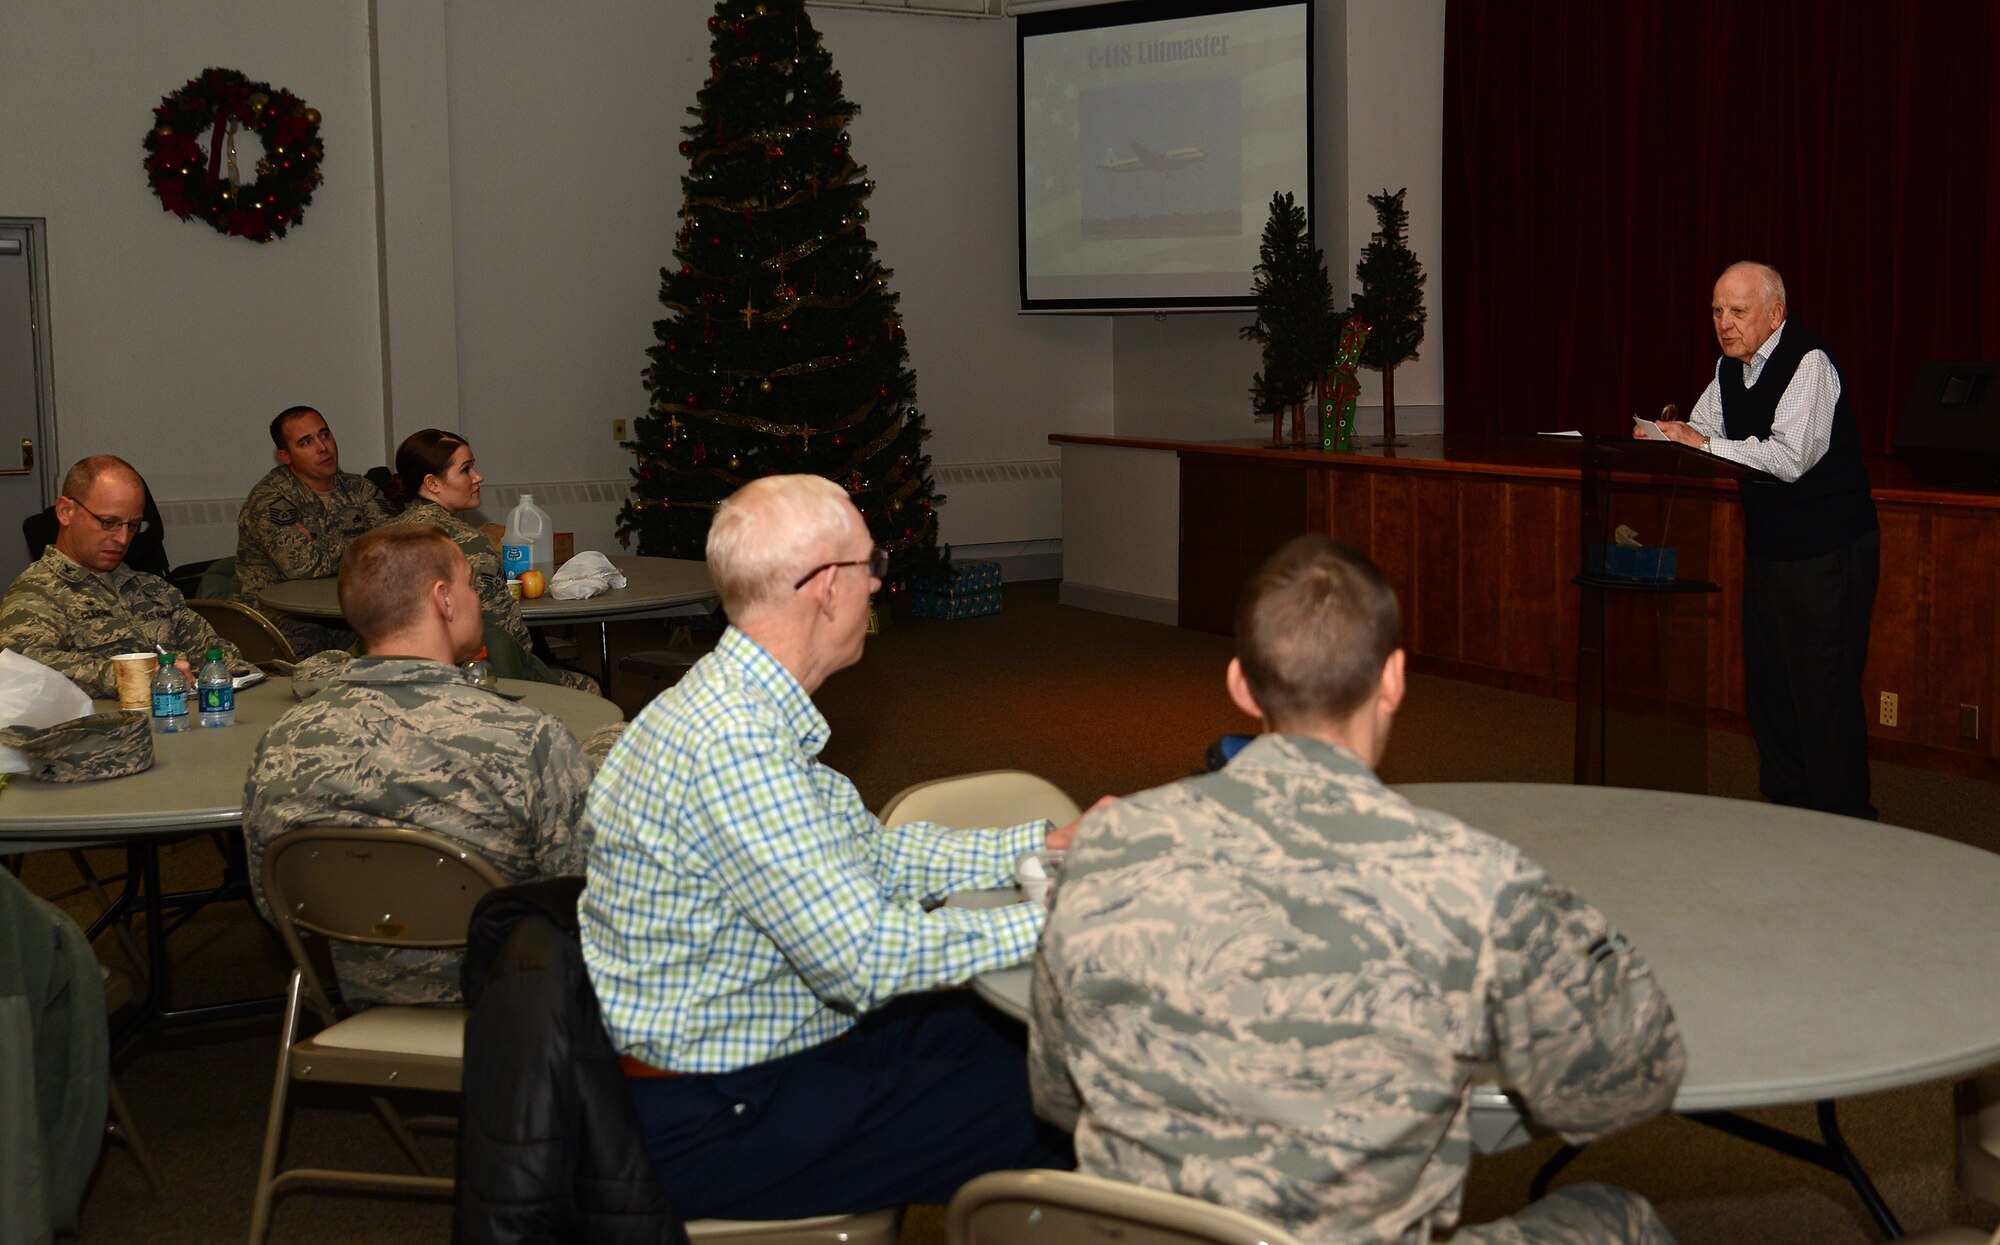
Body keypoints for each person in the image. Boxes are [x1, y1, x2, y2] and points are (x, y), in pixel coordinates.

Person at [1031, 536, 1687, 1245]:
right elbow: (1619, 1084)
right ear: (1395, 678)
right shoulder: (1476, 880)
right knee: (1618, 1219)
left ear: (1241, 685)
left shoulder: (1106, 845)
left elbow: (1057, 1093)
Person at [582, 474, 1087, 1221]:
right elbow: (866, 958)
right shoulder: (736, 745)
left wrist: (1045, 845)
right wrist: (1062, 915)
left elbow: (877, 859)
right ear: (823, 587)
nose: (879, 583)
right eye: (869, 564)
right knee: (1069, 1099)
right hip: (717, 1111)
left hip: (764, 1047)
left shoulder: (737, 705)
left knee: (1049, 1042)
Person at [243, 524, 595, 1008]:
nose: (478, 600)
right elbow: (582, 899)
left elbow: (271, 901)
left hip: (359, 1003)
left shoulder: (284, 741)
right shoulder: (528, 740)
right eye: (471, 584)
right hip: (516, 1010)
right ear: (444, 600)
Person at [1652, 262, 1880, 820]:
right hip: (1771, 550)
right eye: (1716, 311)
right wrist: (1661, 436)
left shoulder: (1809, 363)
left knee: (1821, 690)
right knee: (1771, 686)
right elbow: (1705, 431)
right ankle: (1787, 810)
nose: (1724, 323)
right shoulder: (1730, 369)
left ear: (1775, 313)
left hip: (1828, 550)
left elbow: (1788, 458)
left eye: (1737, 311)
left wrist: (1701, 444)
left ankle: (1842, 820)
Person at [0, 455, 250, 696]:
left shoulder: (153, 589)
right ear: (66, 511)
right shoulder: (37, 592)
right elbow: (23, 666)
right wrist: (136, 676)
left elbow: (218, 653)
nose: (122, 539)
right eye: (108, 522)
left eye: (132, 526)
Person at [382, 428, 598, 694]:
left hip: (402, 676)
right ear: (432, 483)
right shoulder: (466, 542)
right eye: (466, 469)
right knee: (589, 687)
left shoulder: (385, 534)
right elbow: (504, 634)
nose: (478, 477)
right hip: (477, 679)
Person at [233, 406, 396, 655]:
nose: (323, 448)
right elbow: (302, 564)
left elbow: (395, 545)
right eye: (306, 442)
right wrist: (364, 544)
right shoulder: (270, 499)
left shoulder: (360, 489)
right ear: (285, 456)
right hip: (281, 616)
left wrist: (321, 545)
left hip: (348, 607)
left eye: (324, 435)